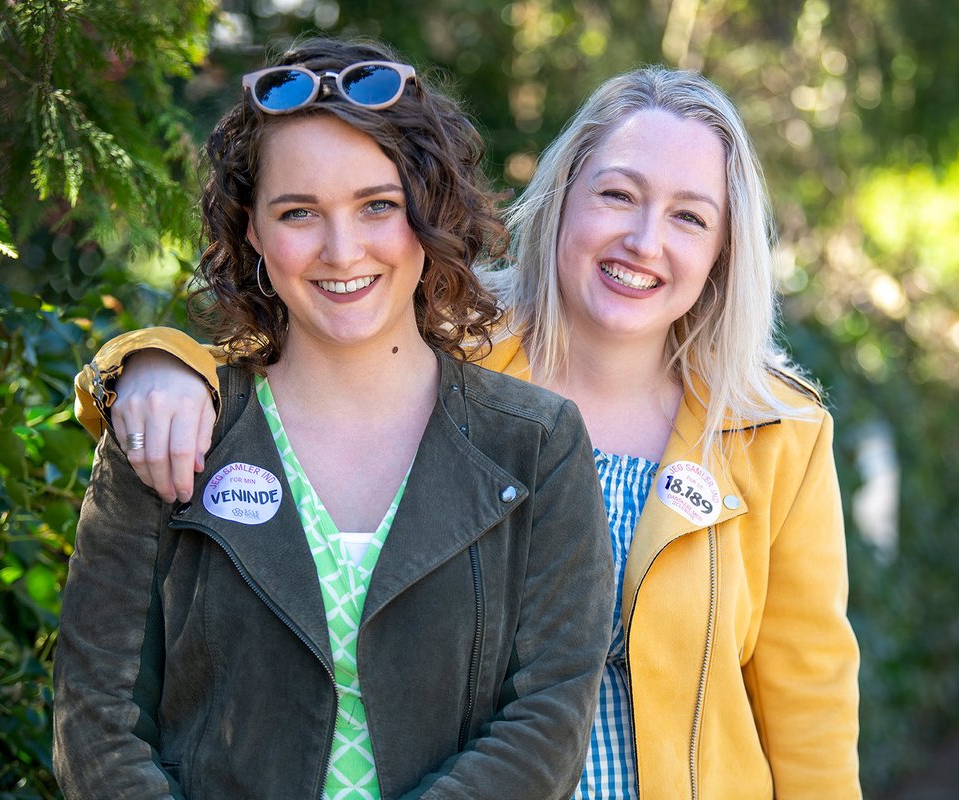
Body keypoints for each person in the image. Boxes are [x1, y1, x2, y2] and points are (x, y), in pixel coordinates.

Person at [74, 66, 862, 798]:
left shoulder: (775, 432)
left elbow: (809, 700)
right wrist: (149, 362)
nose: (644, 240)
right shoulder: (448, 346)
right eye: (618, 196)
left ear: (725, 248)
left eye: (690, 217)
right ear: (562, 199)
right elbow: (278, 362)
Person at [53, 37, 614, 800]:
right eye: (298, 212)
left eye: (377, 205)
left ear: (430, 211)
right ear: (252, 230)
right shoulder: (170, 427)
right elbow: (95, 722)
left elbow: (546, 722)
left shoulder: (538, 445)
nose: (341, 249)